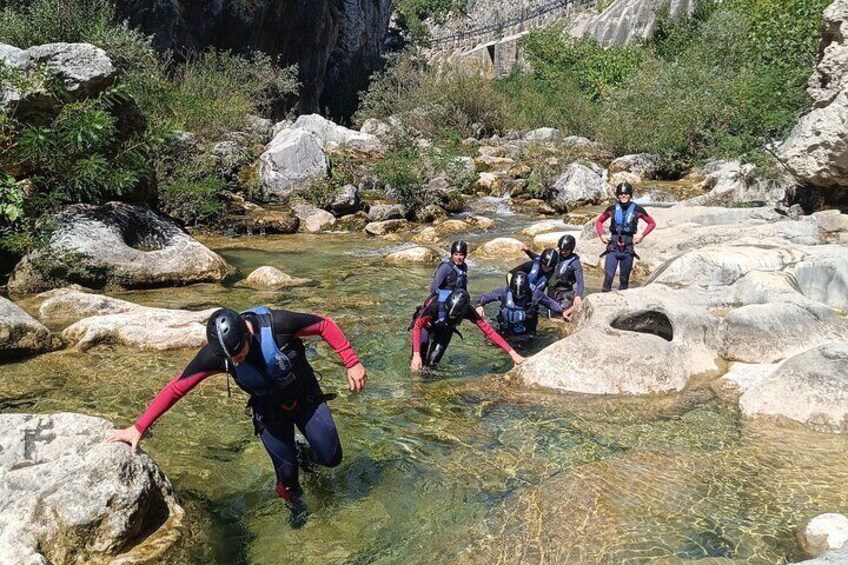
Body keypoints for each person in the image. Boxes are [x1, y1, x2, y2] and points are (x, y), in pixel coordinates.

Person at [105, 306, 368, 528]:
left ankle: (304, 455)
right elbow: (178, 387)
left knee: (331, 457)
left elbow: (324, 324)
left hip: (305, 400)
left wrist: (351, 361)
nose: (237, 360)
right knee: (287, 480)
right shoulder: (221, 356)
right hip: (269, 413)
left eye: (239, 352)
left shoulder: (278, 325)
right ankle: (297, 509)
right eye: (231, 358)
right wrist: (138, 427)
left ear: (245, 332)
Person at [410, 289, 525, 371]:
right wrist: (416, 355)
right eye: (449, 312)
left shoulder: (469, 311)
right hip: (427, 325)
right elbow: (418, 327)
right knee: (418, 359)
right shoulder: (435, 305)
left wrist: (513, 353)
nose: (451, 316)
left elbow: (489, 332)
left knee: (431, 366)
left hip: (445, 329)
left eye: (454, 316)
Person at [594, 182, 656, 292]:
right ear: (617, 195)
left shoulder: (637, 210)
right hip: (613, 248)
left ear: (630, 194)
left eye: (626, 193)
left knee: (624, 280)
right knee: (608, 278)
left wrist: (641, 236)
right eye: (621, 194)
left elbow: (651, 223)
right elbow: (599, 222)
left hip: (627, 250)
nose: (623, 196)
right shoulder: (612, 209)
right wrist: (601, 235)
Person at [474, 271, 563, 339]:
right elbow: (485, 297)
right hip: (504, 328)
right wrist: (479, 305)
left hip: (525, 332)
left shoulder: (535, 294)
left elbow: (550, 302)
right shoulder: (504, 291)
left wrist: (562, 311)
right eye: (515, 294)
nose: (518, 296)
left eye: (521, 294)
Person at [549, 234, 584, 319]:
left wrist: (578, 295)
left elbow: (580, 282)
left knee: (562, 311)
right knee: (551, 309)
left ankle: (568, 310)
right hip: (553, 287)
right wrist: (528, 251)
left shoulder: (575, 263)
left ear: (571, 249)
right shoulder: (556, 257)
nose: (563, 252)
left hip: (566, 291)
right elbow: (539, 258)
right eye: (561, 249)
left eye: (566, 249)